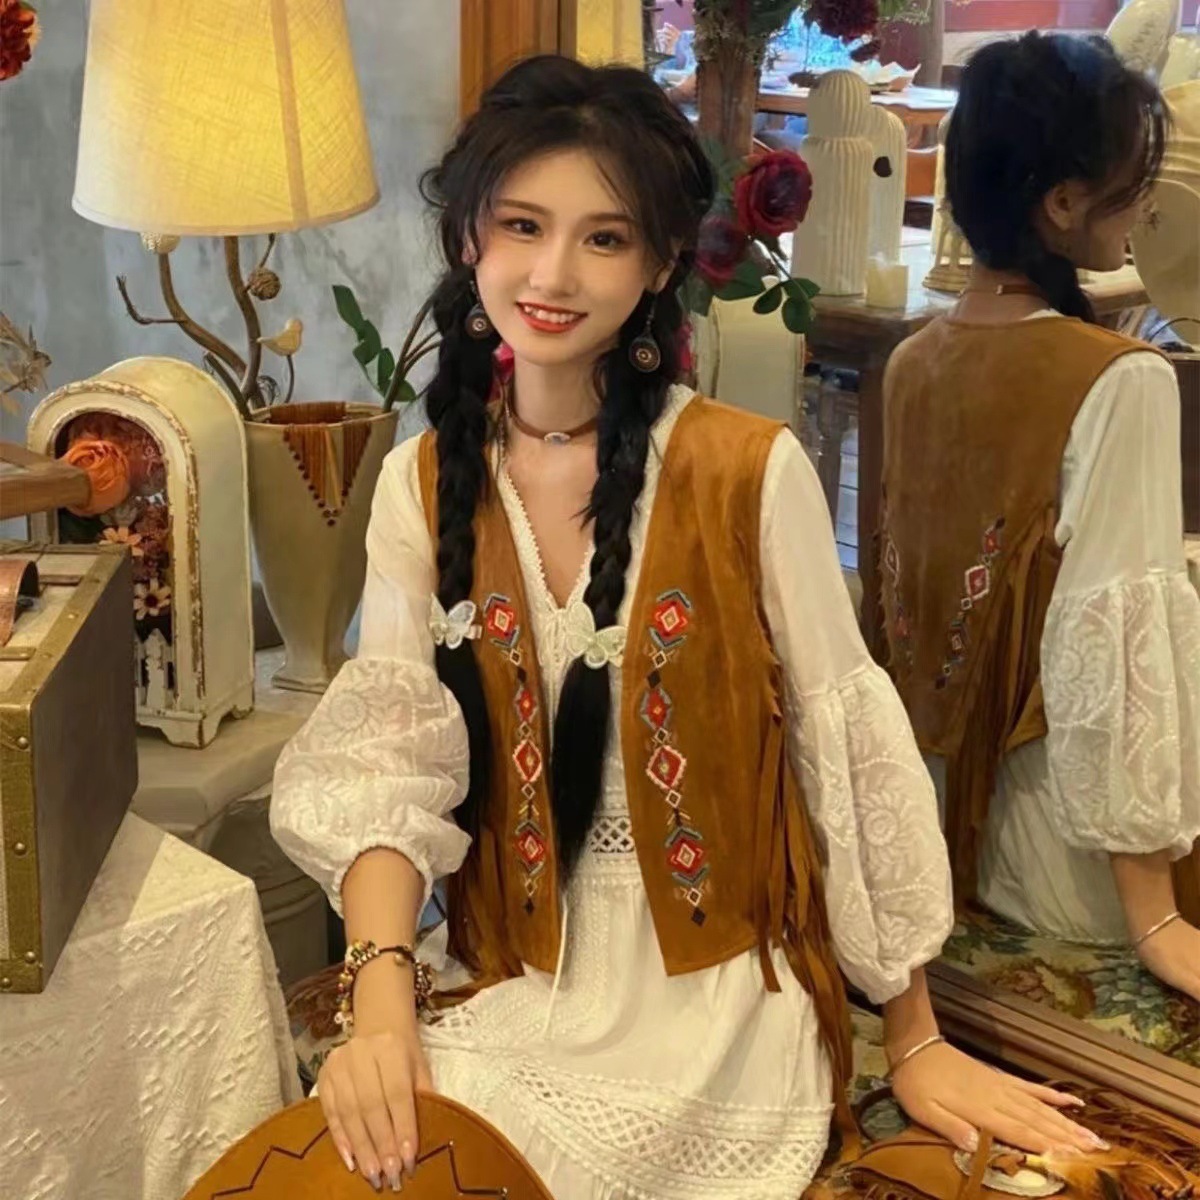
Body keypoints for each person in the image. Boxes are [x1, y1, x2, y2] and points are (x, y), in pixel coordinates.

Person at [271, 55, 1108, 1199]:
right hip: (506, 971)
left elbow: (842, 748)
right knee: (365, 1158)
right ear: (470, 236)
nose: (553, 273)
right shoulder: (424, 483)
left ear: (663, 261)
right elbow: (386, 756)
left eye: (605, 238)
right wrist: (379, 1008)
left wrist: (912, 1037)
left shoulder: (748, 471)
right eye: (522, 225)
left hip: (713, 1003)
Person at [877, 33, 1200, 999]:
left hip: (940, 831)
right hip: (1069, 859)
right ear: (1062, 202)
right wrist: (1157, 918)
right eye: (1131, 185)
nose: (1145, 208)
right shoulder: (1123, 380)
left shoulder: (912, 360)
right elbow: (1116, 642)